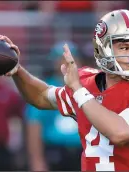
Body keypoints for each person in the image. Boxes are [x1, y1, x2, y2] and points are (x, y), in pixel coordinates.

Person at [0, 9, 129, 171]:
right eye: (124, 47)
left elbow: (120, 132)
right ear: (103, 48)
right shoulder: (87, 82)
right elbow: (41, 96)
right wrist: (17, 70)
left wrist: (78, 91)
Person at [25, 41, 82, 171]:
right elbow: (34, 125)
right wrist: (37, 160)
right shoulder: (45, 89)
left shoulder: (88, 87)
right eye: (61, 59)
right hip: (55, 151)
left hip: (83, 151)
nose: (66, 62)